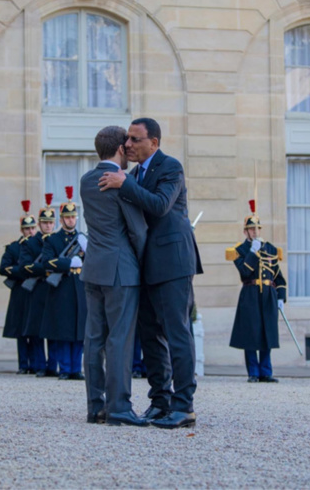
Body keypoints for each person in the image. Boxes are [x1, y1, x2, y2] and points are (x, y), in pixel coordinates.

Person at [98, 117, 203, 430]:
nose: (127, 144)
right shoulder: (133, 174)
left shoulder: (170, 167)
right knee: (151, 337)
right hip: (144, 266)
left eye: (135, 139)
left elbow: (159, 205)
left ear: (153, 143)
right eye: (127, 139)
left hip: (173, 263)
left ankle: (184, 407)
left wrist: (124, 184)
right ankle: (160, 401)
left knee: (177, 333)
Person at [79, 125, 149, 426]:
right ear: (121, 149)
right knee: (120, 339)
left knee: (94, 339)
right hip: (121, 270)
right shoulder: (121, 182)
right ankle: (119, 407)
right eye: (128, 145)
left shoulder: (86, 180)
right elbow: (138, 229)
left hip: (93, 266)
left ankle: (96, 407)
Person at [227, 200, 287, 384]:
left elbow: (279, 278)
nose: (255, 232)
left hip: (268, 294)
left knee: (267, 333)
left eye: (257, 229)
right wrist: (252, 253)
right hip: (250, 294)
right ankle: (253, 372)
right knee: (251, 334)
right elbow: (244, 272)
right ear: (245, 231)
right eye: (251, 229)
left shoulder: (270, 248)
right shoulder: (239, 250)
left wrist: (281, 297)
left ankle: (266, 372)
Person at [41, 187, 87, 381]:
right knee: (63, 329)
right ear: (61, 219)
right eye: (67, 218)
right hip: (62, 287)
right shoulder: (53, 239)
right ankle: (65, 368)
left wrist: (87, 253)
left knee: (79, 330)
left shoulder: (82, 238)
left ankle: (76, 368)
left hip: (80, 286)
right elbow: (47, 262)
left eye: (73, 217)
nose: (70, 220)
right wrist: (69, 263)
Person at [0, 200, 38, 375]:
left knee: (35, 330)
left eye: (32, 228)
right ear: (22, 230)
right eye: (27, 229)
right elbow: (4, 268)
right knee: (22, 330)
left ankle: (38, 364)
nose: (30, 232)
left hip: (36, 290)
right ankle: (24, 364)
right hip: (20, 290)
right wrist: (22, 271)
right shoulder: (14, 248)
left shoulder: (40, 245)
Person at [22, 195, 56, 377]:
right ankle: (39, 365)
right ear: (40, 224)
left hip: (54, 289)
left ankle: (53, 365)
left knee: (54, 330)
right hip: (36, 289)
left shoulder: (58, 240)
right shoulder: (31, 243)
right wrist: (46, 267)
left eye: (51, 223)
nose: (48, 226)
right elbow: (25, 265)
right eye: (44, 223)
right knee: (36, 331)